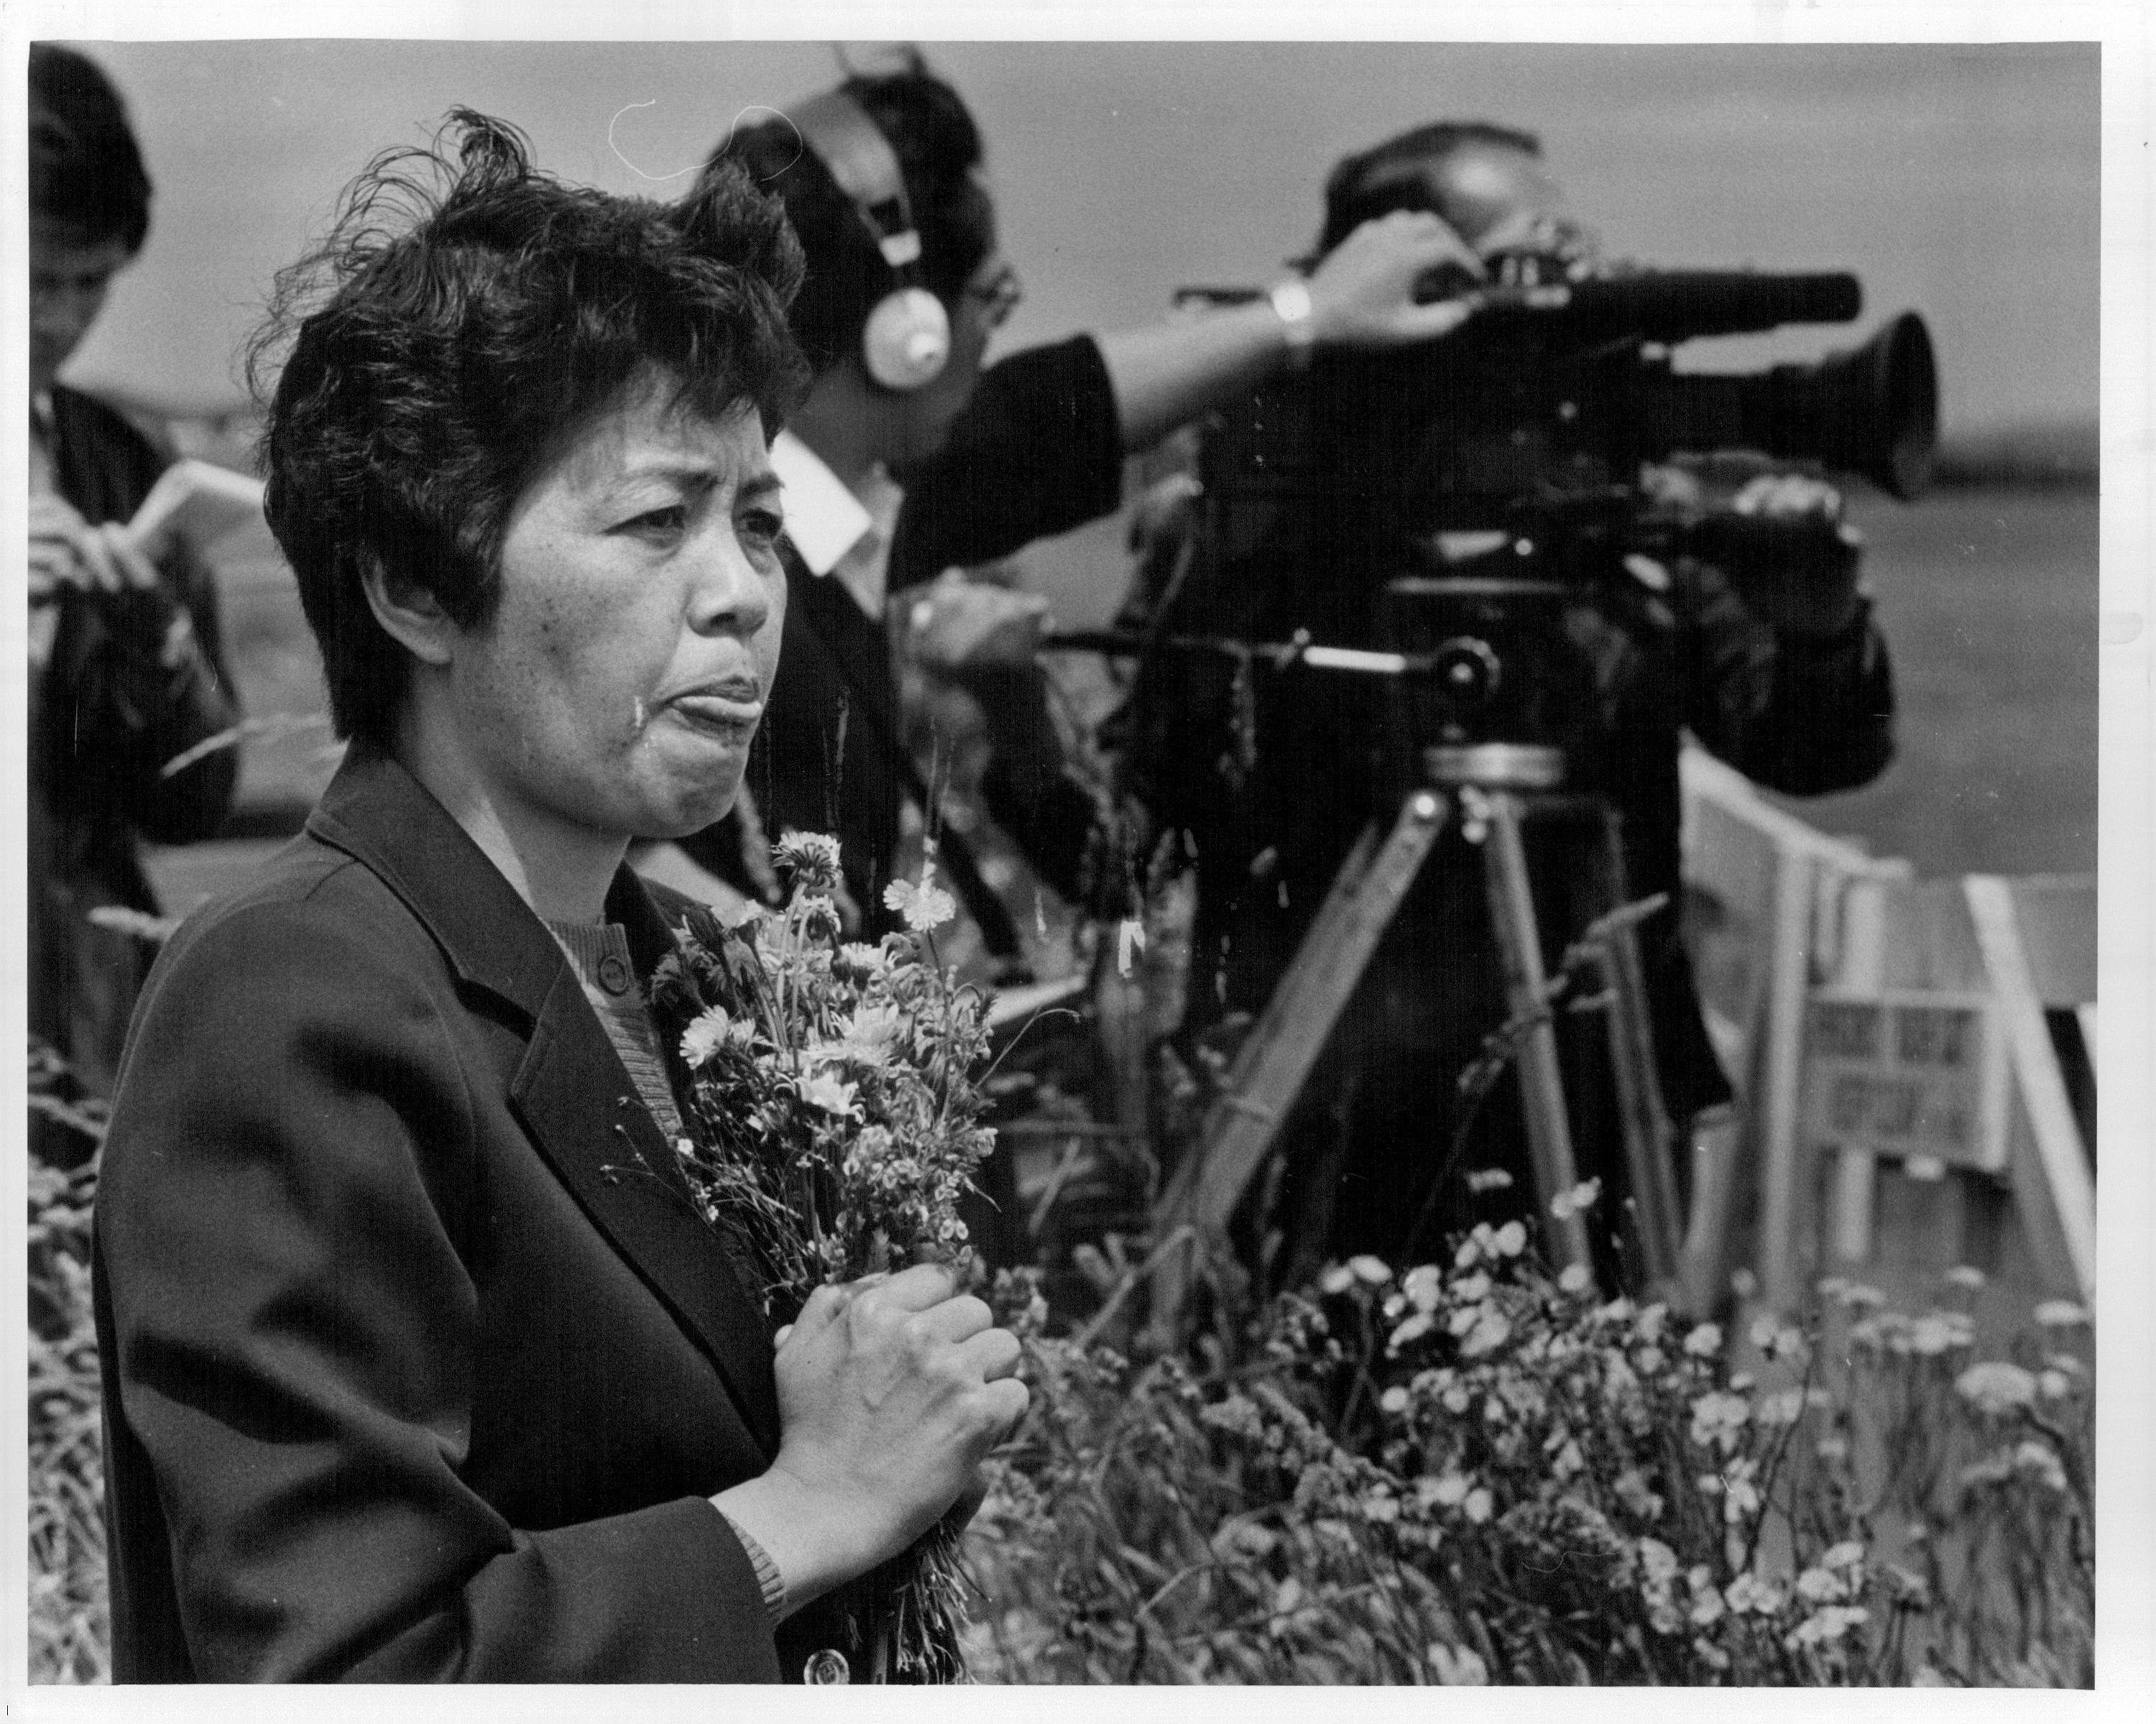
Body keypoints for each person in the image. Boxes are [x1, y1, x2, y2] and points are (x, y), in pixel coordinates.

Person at [92, 111, 1026, 1683]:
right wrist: (809, 1510)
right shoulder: (296, 996)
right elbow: (348, 1666)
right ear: (411, 581)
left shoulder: (710, 983)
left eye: (757, 520)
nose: (738, 591)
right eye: (657, 520)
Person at [1116, 121, 1897, 1286]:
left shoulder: (1634, 537)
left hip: (1599, 1094)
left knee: (1597, 1423)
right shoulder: (1271, 538)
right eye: (1536, 266)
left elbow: (1816, 748)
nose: (1579, 296)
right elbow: (1141, 817)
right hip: (1323, 1101)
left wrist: (1823, 619)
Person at [679, 67, 1485, 938]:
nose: (999, 329)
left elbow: (1051, 415)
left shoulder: (812, 522)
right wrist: (1306, 316)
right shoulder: (763, 573)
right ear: (910, 332)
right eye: (993, 294)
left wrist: (1307, 318)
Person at [27, 44, 239, 1165]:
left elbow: (201, 799)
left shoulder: (118, 461)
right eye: (35, 272)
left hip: (89, 1030)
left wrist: (158, 637)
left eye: (88, 280)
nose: (58, 318)